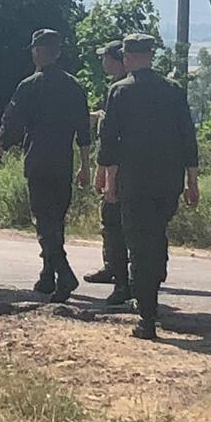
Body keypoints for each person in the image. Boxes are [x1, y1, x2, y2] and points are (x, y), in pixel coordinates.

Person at [99, 33, 200, 340]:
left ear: (128, 57)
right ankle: (154, 283)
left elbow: (110, 142)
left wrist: (109, 181)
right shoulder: (173, 90)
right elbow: (187, 137)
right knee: (156, 236)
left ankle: (146, 315)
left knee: (139, 244)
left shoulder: (119, 91)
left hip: (134, 180)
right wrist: (191, 182)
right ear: (151, 55)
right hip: (168, 181)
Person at [0, 29, 91, 303]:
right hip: (64, 161)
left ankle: (64, 274)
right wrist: (85, 166)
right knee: (56, 219)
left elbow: (12, 120)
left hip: (38, 159)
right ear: (57, 53)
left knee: (44, 221)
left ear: (36, 52)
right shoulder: (74, 87)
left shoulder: (29, 86)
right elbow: (84, 131)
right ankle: (48, 276)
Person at [84, 40, 132, 305]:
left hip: (117, 165)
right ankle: (112, 266)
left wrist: (103, 170)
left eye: (106, 57)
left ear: (118, 60)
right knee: (111, 221)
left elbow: (112, 133)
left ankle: (121, 275)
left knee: (113, 220)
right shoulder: (118, 87)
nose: (102, 61)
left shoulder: (120, 88)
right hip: (122, 163)